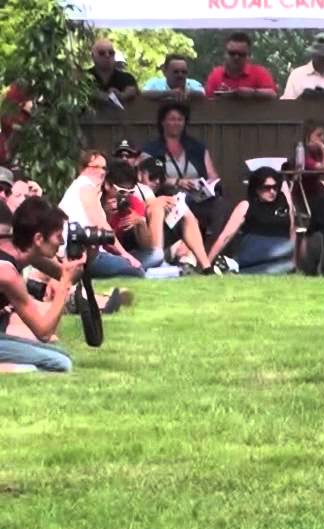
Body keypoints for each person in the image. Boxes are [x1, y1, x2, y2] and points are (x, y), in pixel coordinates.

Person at [0, 198, 84, 372]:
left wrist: (87, 250)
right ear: (38, 238)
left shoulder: (16, 249)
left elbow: (68, 273)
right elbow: (43, 332)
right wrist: (64, 285)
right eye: (58, 236)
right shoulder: (6, 273)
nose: (61, 242)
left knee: (59, 353)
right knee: (60, 363)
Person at [141, 101, 228, 245]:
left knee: (220, 206)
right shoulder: (151, 149)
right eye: (172, 119)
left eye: (180, 119)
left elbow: (213, 176)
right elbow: (145, 180)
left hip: (198, 197)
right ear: (163, 122)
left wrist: (205, 185)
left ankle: (212, 248)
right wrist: (177, 182)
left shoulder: (197, 148)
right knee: (182, 206)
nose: (176, 123)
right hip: (167, 198)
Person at [57, 150, 143, 278]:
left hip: (82, 252)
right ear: (82, 168)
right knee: (137, 270)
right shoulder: (85, 186)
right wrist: (124, 254)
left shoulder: (85, 188)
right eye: (95, 167)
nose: (101, 171)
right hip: (81, 255)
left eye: (104, 167)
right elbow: (100, 224)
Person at [208, 167, 296, 274]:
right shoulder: (246, 206)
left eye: (275, 187)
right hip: (254, 254)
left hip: (279, 255)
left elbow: (292, 231)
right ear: (257, 188)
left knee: (285, 266)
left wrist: (294, 259)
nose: (272, 191)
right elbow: (226, 236)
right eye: (267, 188)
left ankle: (233, 268)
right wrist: (207, 263)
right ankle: (234, 266)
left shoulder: (284, 207)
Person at [205, 32, 277, 98]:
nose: (236, 57)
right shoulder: (216, 74)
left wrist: (252, 93)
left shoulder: (259, 72)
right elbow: (206, 99)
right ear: (225, 54)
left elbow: (272, 94)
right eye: (232, 53)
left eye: (241, 54)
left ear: (248, 55)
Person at [87, 38, 138, 109]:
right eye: (102, 53)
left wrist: (121, 95)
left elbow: (132, 90)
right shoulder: (84, 77)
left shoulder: (127, 77)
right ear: (93, 56)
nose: (107, 56)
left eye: (111, 53)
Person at [140, 54, 206, 102]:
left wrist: (189, 93)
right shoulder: (154, 83)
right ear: (165, 72)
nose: (180, 75)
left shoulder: (193, 84)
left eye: (184, 72)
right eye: (176, 72)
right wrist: (169, 93)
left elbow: (203, 94)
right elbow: (143, 94)